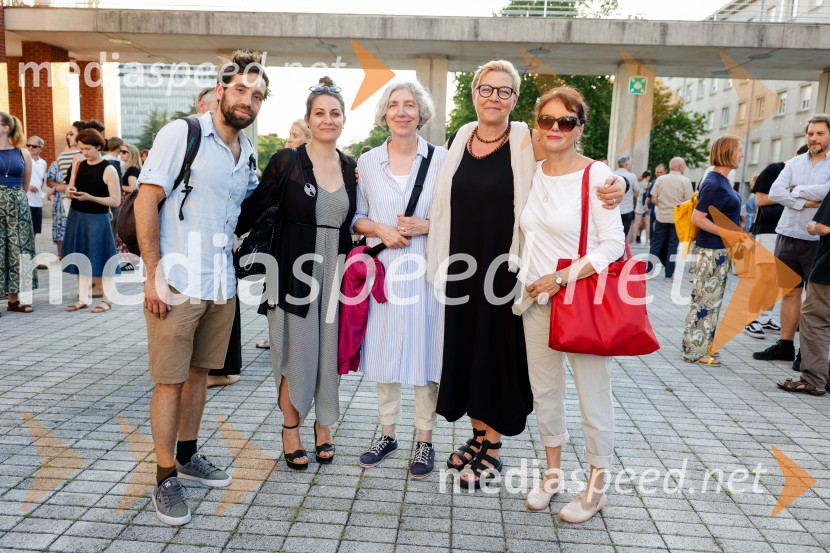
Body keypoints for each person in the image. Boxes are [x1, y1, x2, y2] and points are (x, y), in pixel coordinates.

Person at [426, 60, 624, 489]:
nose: (493, 97)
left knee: (495, 357)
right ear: (474, 93)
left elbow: (571, 158)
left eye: (504, 91)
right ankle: (477, 435)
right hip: (461, 267)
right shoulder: (460, 136)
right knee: (466, 353)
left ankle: (493, 445)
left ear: (514, 100)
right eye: (486, 89)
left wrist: (621, 181)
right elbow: (444, 201)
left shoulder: (525, 137)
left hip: (506, 270)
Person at [135, 50, 270, 526]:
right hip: (176, 281)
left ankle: (188, 455)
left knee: (199, 376)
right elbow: (147, 200)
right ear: (220, 91)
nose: (247, 101)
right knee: (169, 381)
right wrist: (153, 273)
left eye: (257, 95)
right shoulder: (183, 133)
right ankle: (163, 475)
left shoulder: (247, 150)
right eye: (239, 90)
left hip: (221, 282)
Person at [516, 85, 625, 522]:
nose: (555, 128)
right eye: (547, 121)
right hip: (534, 301)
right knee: (546, 393)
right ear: (536, 126)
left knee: (592, 396)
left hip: (579, 299)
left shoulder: (597, 176)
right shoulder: (530, 172)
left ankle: (596, 488)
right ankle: (553, 475)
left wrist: (561, 277)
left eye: (566, 121)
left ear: (580, 127)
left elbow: (614, 244)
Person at [236, 77, 356, 472]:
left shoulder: (352, 168)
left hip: (335, 274)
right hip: (293, 272)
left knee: (329, 355)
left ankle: (324, 427)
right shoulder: (286, 162)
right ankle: (291, 429)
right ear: (308, 118)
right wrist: (220, 238)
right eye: (319, 113)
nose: (327, 120)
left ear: (343, 120)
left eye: (334, 113)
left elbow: (354, 224)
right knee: (296, 355)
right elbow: (251, 209)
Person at [352, 80, 447, 478]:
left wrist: (429, 224)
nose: (402, 111)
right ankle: (387, 434)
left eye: (410, 105)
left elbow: (456, 212)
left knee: (426, 356)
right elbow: (356, 217)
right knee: (385, 355)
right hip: (385, 271)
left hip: (428, 271)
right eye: (394, 105)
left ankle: (425, 440)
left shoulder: (442, 159)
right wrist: (379, 229)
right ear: (384, 114)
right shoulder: (368, 162)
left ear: (421, 113)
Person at [755, 115, 830, 369]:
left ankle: (806, 354)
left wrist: (796, 190)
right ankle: (785, 345)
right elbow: (775, 192)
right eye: (810, 133)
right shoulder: (795, 163)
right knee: (789, 292)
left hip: (817, 240)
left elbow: (828, 191)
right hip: (787, 234)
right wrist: (805, 201)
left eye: (820, 133)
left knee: (814, 300)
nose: (814, 138)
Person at [682, 135, 746, 365]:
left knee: (711, 299)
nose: (742, 154)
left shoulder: (721, 181)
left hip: (717, 250)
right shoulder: (715, 183)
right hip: (711, 251)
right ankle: (695, 351)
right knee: (704, 301)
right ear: (728, 152)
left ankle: (703, 344)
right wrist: (727, 233)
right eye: (739, 149)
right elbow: (698, 218)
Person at [254, 118, 312, 351]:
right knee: (274, 294)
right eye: (289, 134)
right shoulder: (283, 164)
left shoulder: (321, 169)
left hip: (302, 247)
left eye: (295, 135)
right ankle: (276, 336)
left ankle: (290, 340)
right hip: (279, 244)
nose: (289, 139)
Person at [744, 146, 808, 339]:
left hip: (791, 231)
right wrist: (791, 194)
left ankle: (765, 317)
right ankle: (751, 319)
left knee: (777, 280)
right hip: (769, 230)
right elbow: (761, 200)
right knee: (765, 276)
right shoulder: (775, 169)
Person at [58, 129, 121, 313]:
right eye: (81, 148)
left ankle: (107, 300)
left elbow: (115, 201)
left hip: (97, 218)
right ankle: (83, 298)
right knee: (80, 257)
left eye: (88, 148)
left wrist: (90, 198)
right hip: (77, 216)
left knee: (102, 257)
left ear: (99, 147)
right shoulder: (78, 163)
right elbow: (71, 186)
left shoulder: (109, 169)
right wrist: (70, 191)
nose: (84, 152)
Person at [777, 193, 830, 395]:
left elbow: (825, 227)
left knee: (815, 320)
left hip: (827, 271)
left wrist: (814, 227)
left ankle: (813, 379)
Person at [0, 112, 36, 314]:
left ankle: (14, 300)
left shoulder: (23, 153)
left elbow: (25, 184)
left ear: (5, 128)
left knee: (18, 249)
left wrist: (12, 199)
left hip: (17, 205)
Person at [649, 157, 693, 281]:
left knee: (656, 244)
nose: (684, 168)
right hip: (676, 219)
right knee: (673, 246)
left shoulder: (660, 179)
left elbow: (653, 199)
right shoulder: (685, 181)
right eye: (683, 166)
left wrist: (663, 206)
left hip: (662, 216)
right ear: (679, 167)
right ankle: (669, 274)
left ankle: (649, 270)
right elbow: (689, 202)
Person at [47, 123, 87, 259]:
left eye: (71, 133)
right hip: (78, 197)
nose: (68, 136)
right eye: (68, 134)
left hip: (69, 197)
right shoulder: (66, 156)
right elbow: (72, 184)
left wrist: (56, 188)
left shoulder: (64, 156)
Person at [114, 143, 142, 269]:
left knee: (125, 231)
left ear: (132, 154)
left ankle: (130, 260)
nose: (121, 154)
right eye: (120, 151)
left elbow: (132, 188)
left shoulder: (132, 170)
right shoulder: (131, 169)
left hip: (128, 203)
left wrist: (118, 187)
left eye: (125, 152)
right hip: (128, 202)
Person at [25, 136, 48, 238]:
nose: (30, 148)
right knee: (24, 229)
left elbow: (41, 180)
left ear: (41, 149)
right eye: (28, 145)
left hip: (37, 202)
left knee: (35, 229)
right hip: (25, 200)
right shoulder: (22, 159)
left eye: (34, 146)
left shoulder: (43, 163)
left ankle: (29, 251)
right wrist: (28, 185)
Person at [613, 154, 640, 239]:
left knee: (613, 236)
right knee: (623, 237)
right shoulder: (632, 176)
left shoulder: (611, 174)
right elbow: (637, 193)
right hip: (627, 210)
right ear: (626, 165)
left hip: (613, 209)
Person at [629, 169, 650, 244]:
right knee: (647, 224)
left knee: (636, 223)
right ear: (648, 177)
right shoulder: (649, 184)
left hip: (639, 204)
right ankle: (647, 241)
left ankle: (634, 240)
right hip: (647, 205)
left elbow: (636, 194)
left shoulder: (639, 184)